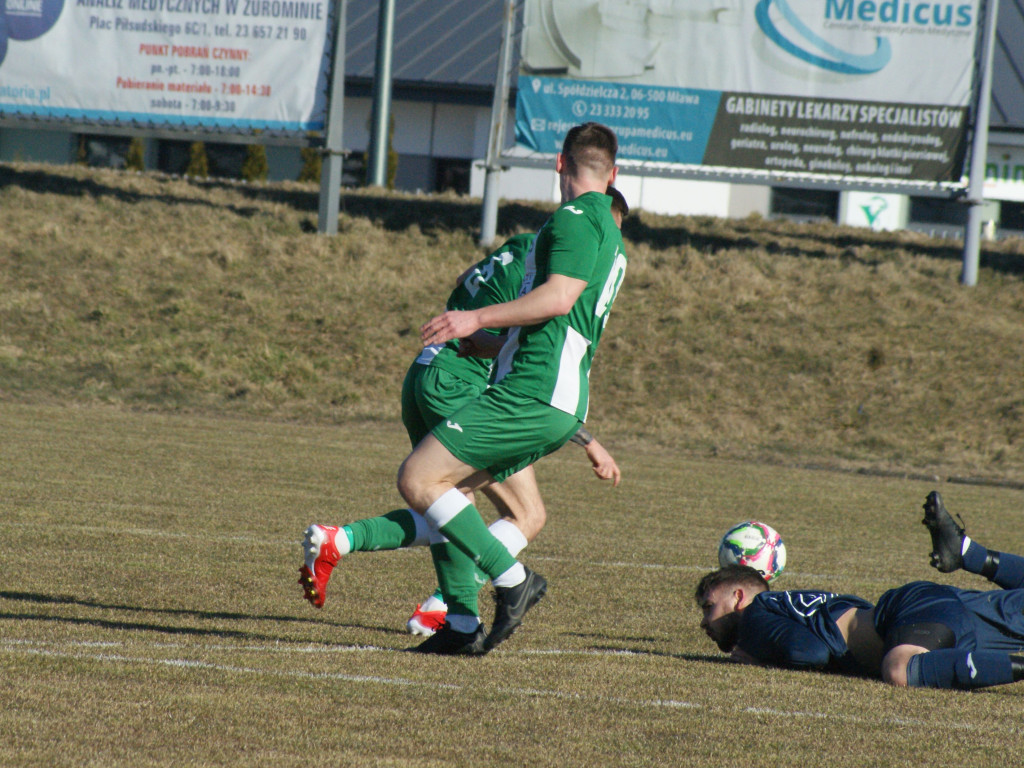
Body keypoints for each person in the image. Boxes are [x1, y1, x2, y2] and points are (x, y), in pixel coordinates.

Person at [300, 123, 628, 655]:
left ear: (559, 163)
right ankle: (458, 623)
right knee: (449, 496)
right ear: (613, 173)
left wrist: (475, 318)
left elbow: (559, 299)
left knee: (419, 479)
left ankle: (514, 580)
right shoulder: (609, 232)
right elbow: (558, 323)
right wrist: (490, 343)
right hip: (550, 396)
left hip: (532, 391)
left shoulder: (573, 217)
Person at [695, 491, 1024, 689]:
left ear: (738, 597)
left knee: (899, 668)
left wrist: (760, 658)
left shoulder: (756, 614)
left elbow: (808, 652)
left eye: (709, 607)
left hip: (915, 616)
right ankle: (969, 553)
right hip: (935, 614)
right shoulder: (789, 604)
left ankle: (967, 553)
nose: (704, 622)